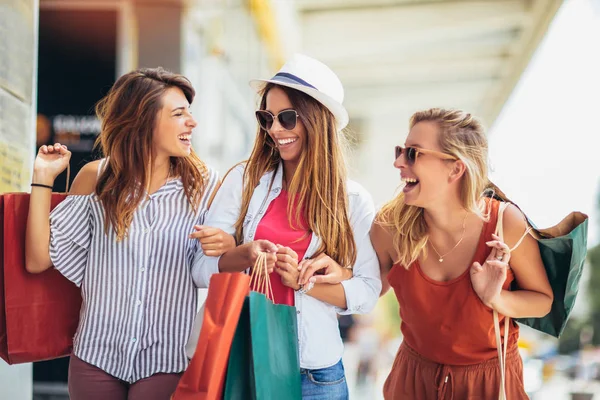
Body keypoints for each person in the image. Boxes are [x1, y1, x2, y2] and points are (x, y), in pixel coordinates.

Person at [25, 67, 234, 400]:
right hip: (96, 358)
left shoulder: (207, 186)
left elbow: (215, 267)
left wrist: (229, 245)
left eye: (189, 113)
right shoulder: (97, 178)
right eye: (179, 114)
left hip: (167, 360)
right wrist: (43, 179)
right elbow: (38, 260)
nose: (191, 123)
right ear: (144, 120)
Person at [191, 54, 381, 399]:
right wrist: (241, 255)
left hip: (316, 375)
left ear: (317, 121)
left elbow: (367, 294)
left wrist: (303, 284)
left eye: (287, 118)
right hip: (241, 360)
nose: (275, 129)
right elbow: (199, 269)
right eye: (266, 118)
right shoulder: (244, 180)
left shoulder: (352, 200)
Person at [370, 108, 553, 399]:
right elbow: (368, 287)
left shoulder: (505, 223)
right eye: (400, 151)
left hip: (490, 385)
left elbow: (542, 301)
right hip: (413, 382)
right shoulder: (389, 225)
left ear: (455, 169)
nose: (398, 162)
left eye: (413, 153)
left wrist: (495, 298)